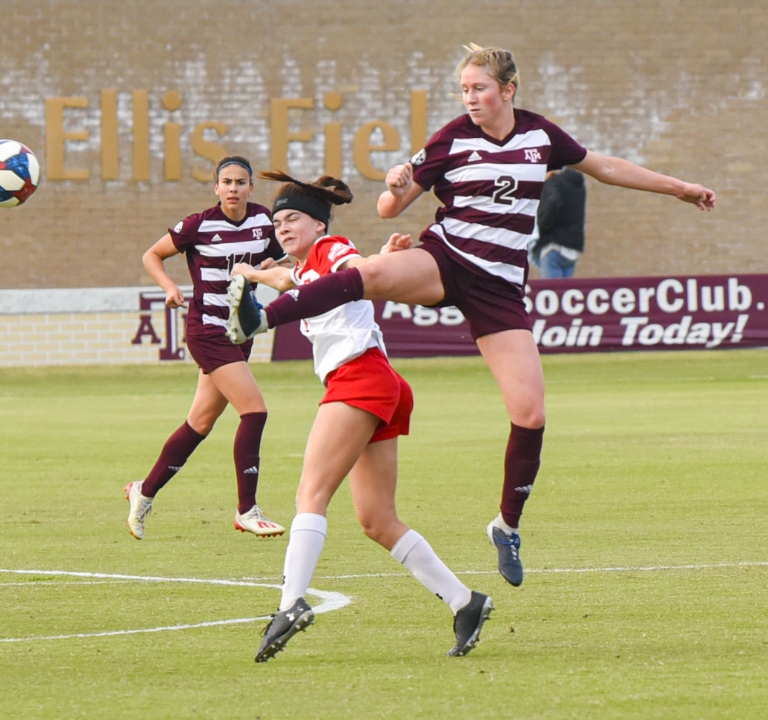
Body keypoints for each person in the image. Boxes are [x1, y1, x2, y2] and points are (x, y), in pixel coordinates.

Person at [227, 44, 716, 587]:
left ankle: (506, 526)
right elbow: (391, 208)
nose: (470, 98)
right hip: (447, 259)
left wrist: (679, 188)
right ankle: (263, 318)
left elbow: (603, 167)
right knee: (371, 274)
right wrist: (394, 188)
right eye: (464, 90)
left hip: (500, 288)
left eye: (479, 88)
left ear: (508, 90)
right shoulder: (452, 138)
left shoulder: (540, 136)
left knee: (530, 412)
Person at [231, 172, 491, 662]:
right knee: (377, 520)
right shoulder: (307, 269)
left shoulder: (331, 249)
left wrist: (380, 262)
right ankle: (466, 602)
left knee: (311, 493)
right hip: (381, 382)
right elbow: (289, 278)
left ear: (318, 223)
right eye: (277, 221)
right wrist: (253, 273)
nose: (283, 228)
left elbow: (353, 265)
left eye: (293, 219)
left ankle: (291, 604)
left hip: (360, 379)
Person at [125, 156, 289, 540]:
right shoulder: (199, 225)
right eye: (227, 182)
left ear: (251, 188)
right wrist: (169, 287)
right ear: (216, 188)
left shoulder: (265, 222)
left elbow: (282, 257)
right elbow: (152, 255)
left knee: (199, 424)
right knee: (255, 411)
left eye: (241, 182)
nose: (233, 188)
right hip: (207, 331)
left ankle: (143, 492)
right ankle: (247, 509)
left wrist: (266, 266)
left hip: (240, 331)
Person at [530, 168, 587, 278]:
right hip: (573, 248)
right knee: (564, 291)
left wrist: (542, 226)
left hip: (553, 246)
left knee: (552, 291)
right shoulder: (577, 185)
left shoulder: (554, 182)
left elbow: (552, 202)